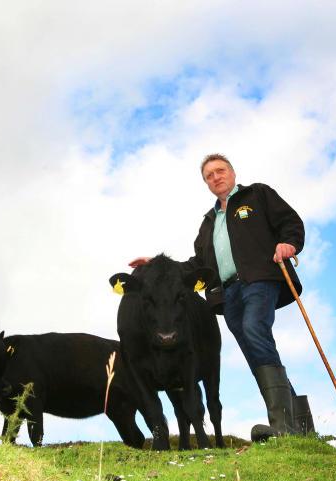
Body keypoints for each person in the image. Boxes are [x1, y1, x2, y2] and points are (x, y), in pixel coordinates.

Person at [129, 153, 314, 441]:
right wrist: (156, 264)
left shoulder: (258, 195)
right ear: (206, 183)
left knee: (255, 328)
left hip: (260, 278)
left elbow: (290, 222)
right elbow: (195, 265)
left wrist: (289, 243)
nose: (216, 177)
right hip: (228, 294)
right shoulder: (208, 224)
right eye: (209, 175)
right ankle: (300, 427)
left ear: (232, 172)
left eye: (220, 170)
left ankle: (282, 426)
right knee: (255, 348)